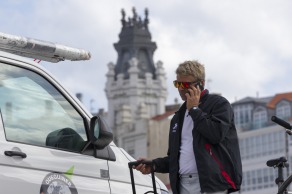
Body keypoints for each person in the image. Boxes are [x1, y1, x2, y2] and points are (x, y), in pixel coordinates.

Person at [134, 60, 242, 194]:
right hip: (183, 185)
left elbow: (216, 134)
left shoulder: (219, 104)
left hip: (212, 185)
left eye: (185, 84)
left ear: (201, 84)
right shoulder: (177, 117)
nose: (180, 88)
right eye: (177, 84)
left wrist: (194, 110)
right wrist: (154, 165)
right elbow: (175, 157)